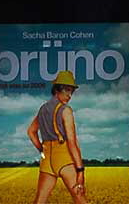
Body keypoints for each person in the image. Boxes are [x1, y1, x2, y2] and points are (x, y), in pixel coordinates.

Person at [27, 70, 88, 204]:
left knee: (39, 201)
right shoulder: (66, 111)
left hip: (47, 160)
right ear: (57, 89)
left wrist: (42, 151)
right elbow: (72, 143)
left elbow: (31, 132)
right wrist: (80, 170)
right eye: (67, 90)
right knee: (80, 198)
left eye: (71, 91)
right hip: (63, 157)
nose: (70, 95)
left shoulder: (42, 109)